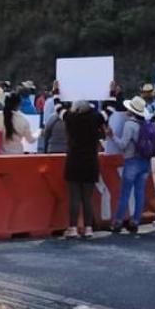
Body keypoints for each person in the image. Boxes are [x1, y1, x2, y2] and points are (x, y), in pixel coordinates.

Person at [62, 99, 106, 238]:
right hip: (91, 162)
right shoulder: (96, 118)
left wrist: (56, 92)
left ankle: (73, 227)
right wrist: (112, 94)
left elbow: (58, 109)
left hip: (74, 161)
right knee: (87, 198)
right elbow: (109, 110)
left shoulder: (70, 118)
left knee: (74, 197)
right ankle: (88, 228)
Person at [111, 96, 153, 234]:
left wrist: (112, 136)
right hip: (145, 162)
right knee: (140, 193)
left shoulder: (129, 124)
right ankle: (135, 221)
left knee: (125, 193)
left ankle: (118, 221)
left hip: (132, 160)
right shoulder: (145, 124)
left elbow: (123, 144)